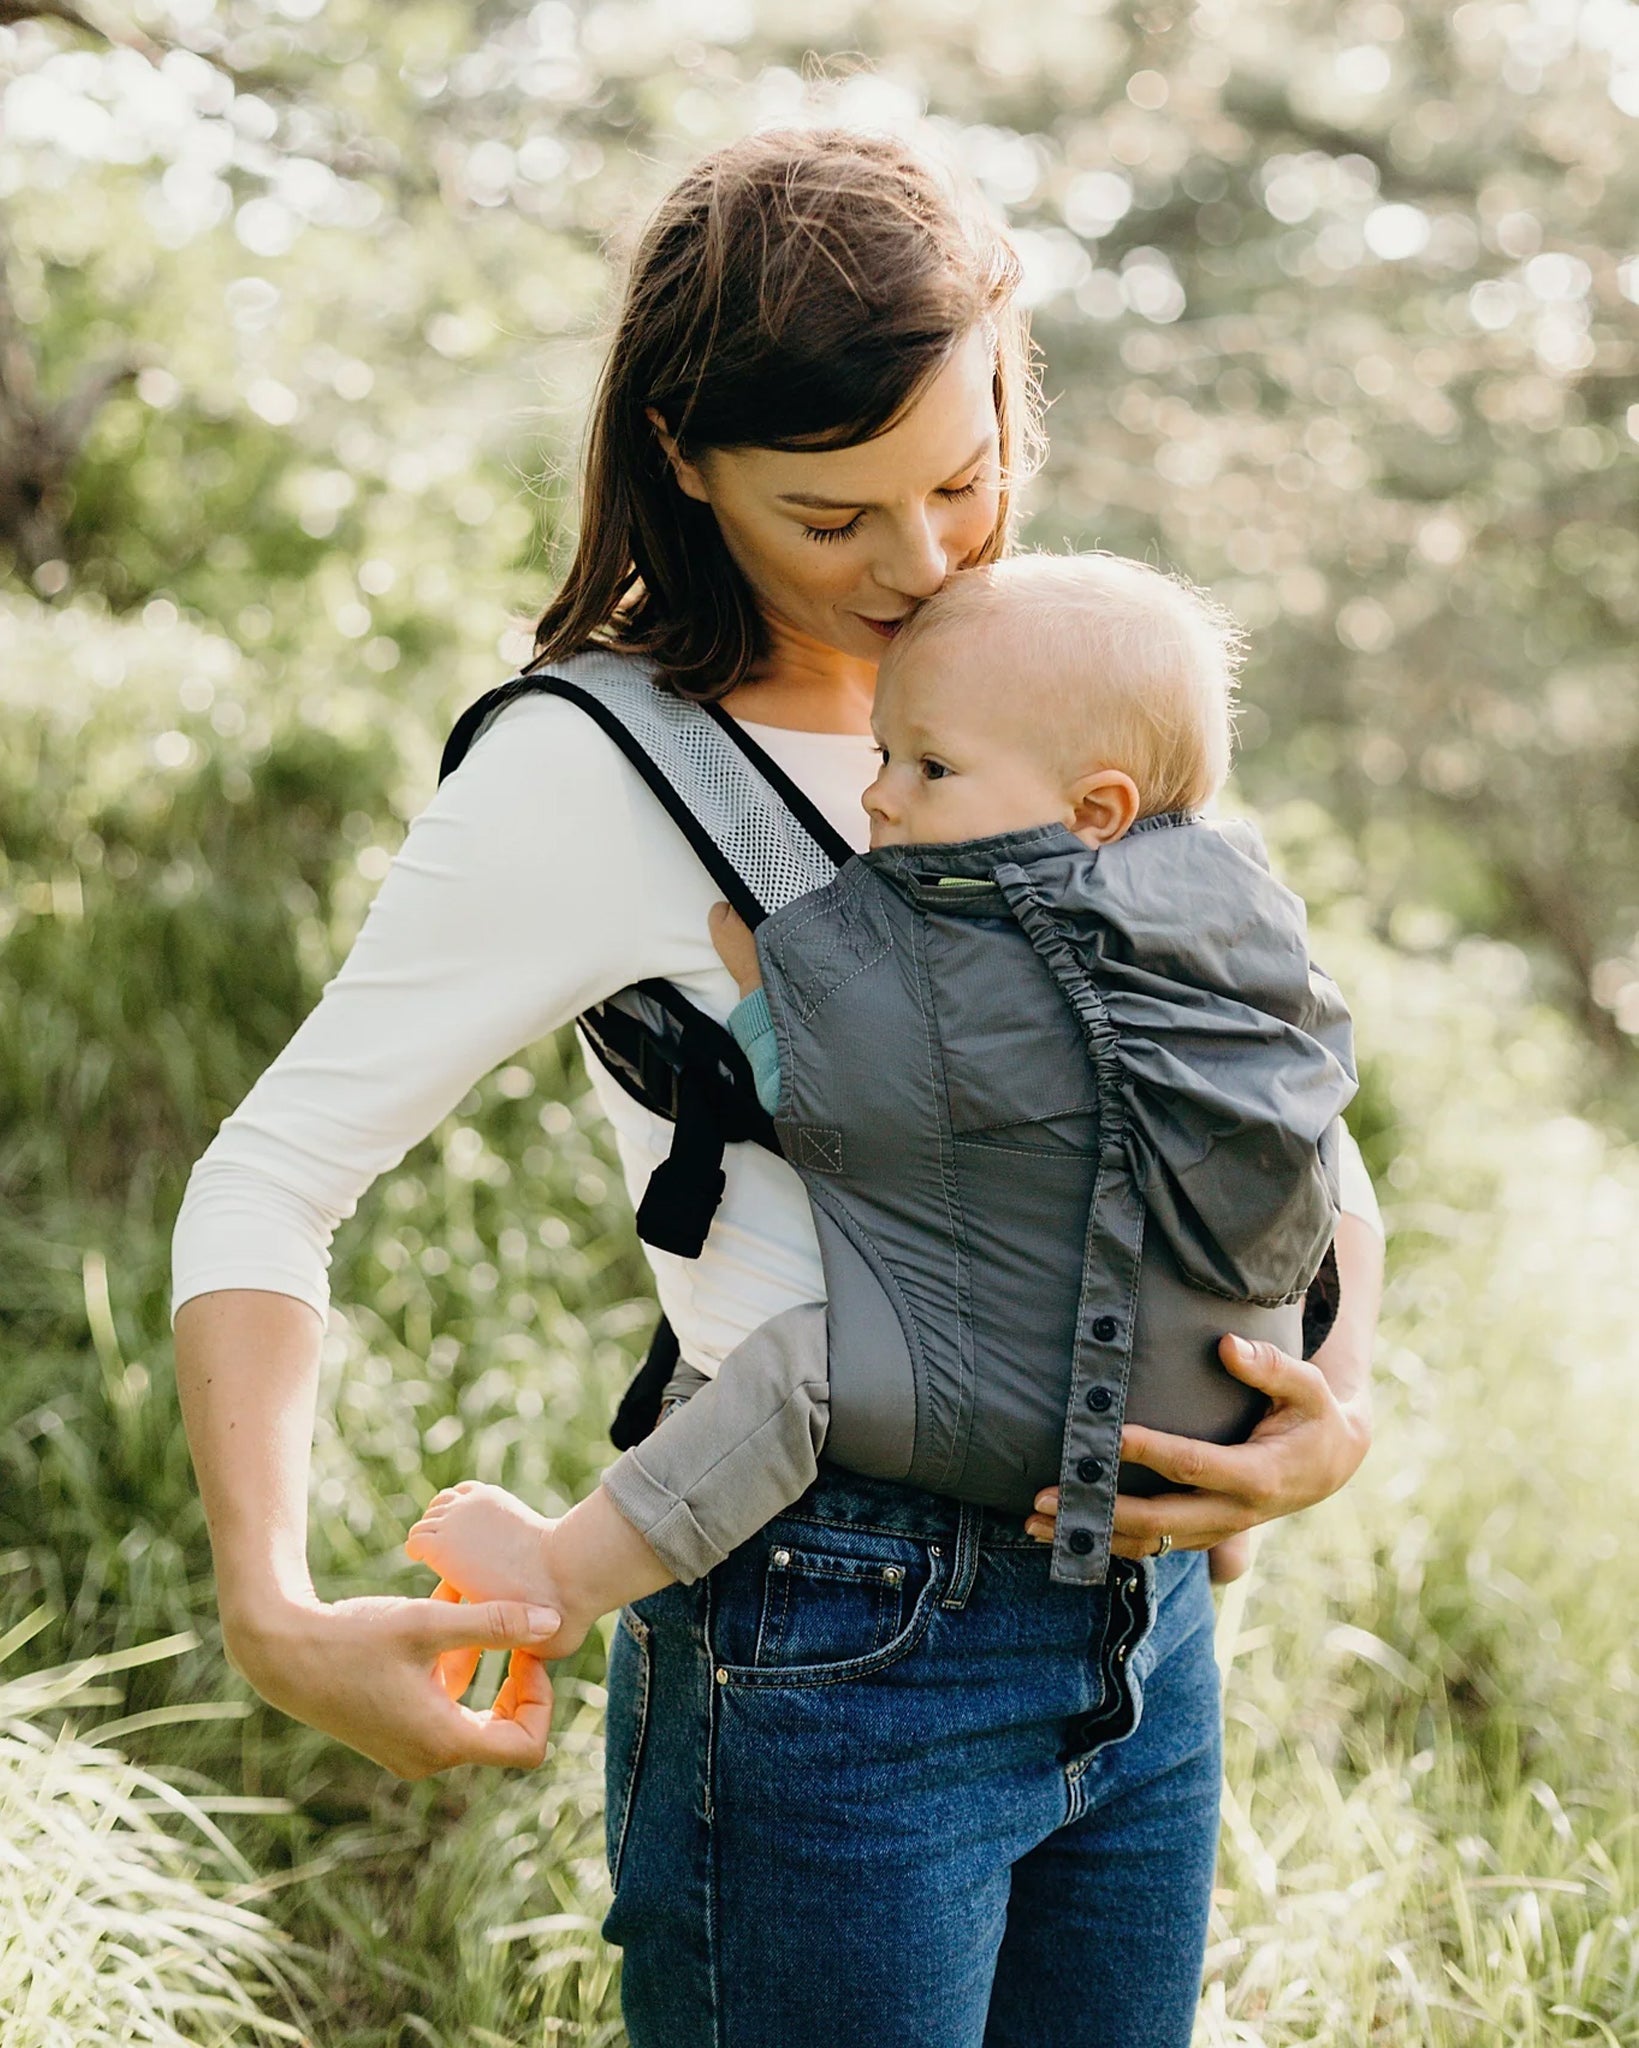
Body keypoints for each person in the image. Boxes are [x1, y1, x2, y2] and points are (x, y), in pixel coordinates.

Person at [169, 126, 1383, 2048]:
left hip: (1139, 1639)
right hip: (823, 1639)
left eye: (965, 483)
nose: (919, 568)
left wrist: (1334, 1409)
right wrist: (270, 1597)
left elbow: (1246, 1091)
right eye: (834, 517)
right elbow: (269, 1176)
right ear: (681, 451)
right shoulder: (589, 767)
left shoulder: (1071, 682)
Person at [404, 548, 1357, 1641]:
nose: (878, 793)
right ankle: (1212, 1509)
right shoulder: (1242, 912)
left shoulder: (945, 945)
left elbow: (837, 1098)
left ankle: (558, 1574)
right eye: (883, 752)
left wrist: (769, 985)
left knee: (806, 1366)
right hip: (1230, 1396)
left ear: (1096, 805)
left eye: (929, 769)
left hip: (1020, 1428)